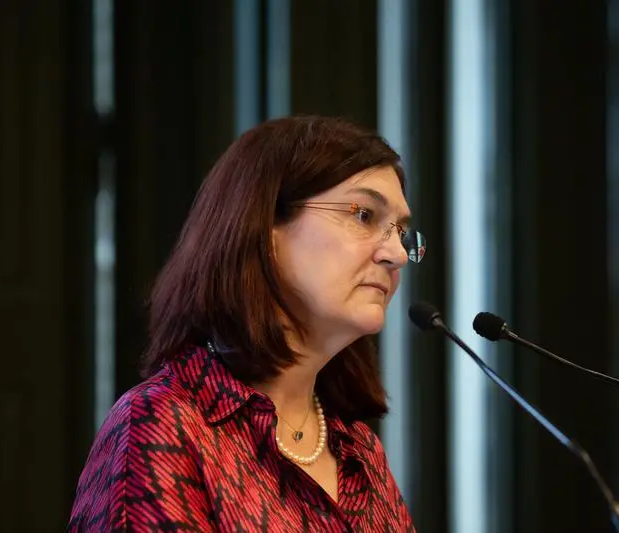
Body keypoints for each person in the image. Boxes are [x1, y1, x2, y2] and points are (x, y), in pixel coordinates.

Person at [67, 115, 426, 532]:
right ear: (265, 226)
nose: (396, 255)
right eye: (364, 215)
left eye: (401, 232)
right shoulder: (163, 423)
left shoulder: (359, 449)